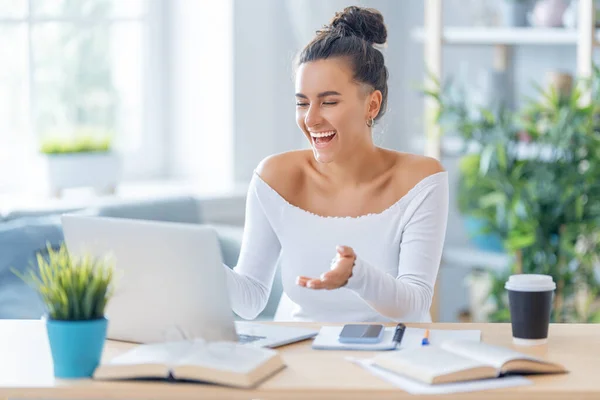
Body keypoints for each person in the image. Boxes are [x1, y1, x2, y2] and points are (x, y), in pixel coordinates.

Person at [223, 6, 449, 323]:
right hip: (300, 355)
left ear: (372, 104)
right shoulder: (275, 177)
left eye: (329, 102)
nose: (311, 119)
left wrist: (357, 276)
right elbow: (250, 300)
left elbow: (415, 304)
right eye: (302, 103)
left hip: (393, 357)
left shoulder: (421, 179)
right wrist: (197, 262)